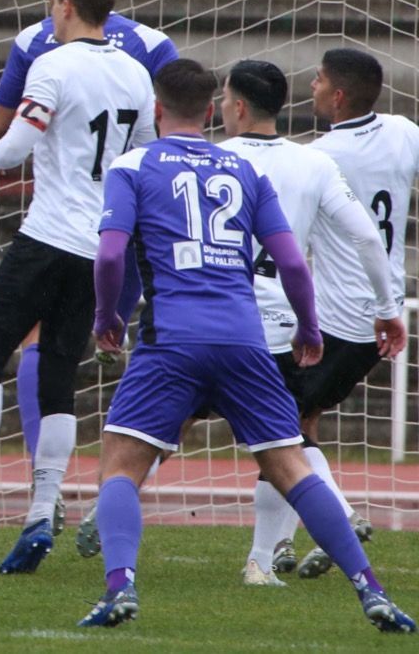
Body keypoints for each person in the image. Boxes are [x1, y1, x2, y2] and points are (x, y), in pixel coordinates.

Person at [80, 59, 413, 633]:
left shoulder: (133, 164)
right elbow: (290, 261)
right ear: (212, 109)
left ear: (158, 109)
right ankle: (372, 590)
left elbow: (110, 254)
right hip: (247, 339)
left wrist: (106, 314)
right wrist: (309, 328)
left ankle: (119, 588)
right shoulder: (241, 167)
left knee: (121, 465)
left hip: (174, 339)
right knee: (291, 465)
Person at [0, 0, 155, 575]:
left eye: (54, 2)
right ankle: (40, 511)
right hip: (101, 244)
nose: (50, 12)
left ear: (70, 6)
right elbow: (143, 155)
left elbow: (18, 141)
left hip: (48, 235)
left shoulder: (53, 64)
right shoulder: (135, 73)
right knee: (57, 376)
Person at [0, 0, 178, 532]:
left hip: (60, 229)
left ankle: (46, 491)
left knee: (38, 349)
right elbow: (172, 129)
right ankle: (113, 488)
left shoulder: (35, 41)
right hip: (132, 228)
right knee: (142, 352)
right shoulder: (150, 45)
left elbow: (0, 123)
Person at [216, 60, 401, 585]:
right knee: (285, 431)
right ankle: (276, 548)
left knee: (160, 431)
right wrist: (387, 308)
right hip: (298, 325)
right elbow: (367, 237)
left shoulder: (217, 159)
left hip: (220, 320)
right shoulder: (350, 150)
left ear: (237, 106)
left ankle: (295, 537)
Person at [276, 48, 419, 578]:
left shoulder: (320, 155)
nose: (309, 86)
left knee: (281, 427)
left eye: (316, 80)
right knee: (299, 420)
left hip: (338, 317)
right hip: (379, 314)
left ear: (337, 95)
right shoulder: (404, 131)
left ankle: (336, 517)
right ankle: (287, 540)